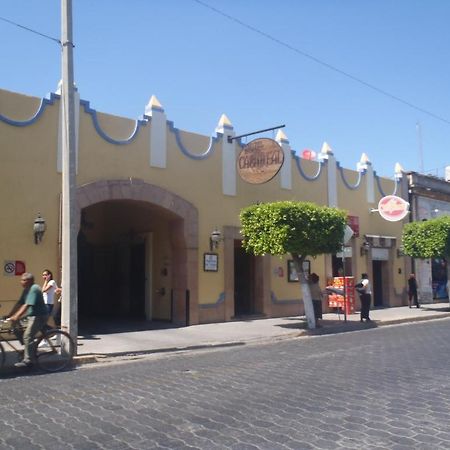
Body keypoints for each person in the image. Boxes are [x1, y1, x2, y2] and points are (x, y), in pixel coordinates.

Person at [7, 272, 49, 368]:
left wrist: (16, 316)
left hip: (39, 315)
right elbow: (19, 303)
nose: (21, 282)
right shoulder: (26, 290)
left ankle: (28, 360)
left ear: (29, 281)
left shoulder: (34, 289)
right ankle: (28, 347)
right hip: (31, 315)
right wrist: (10, 315)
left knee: (27, 335)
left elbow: (27, 305)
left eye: (23, 280)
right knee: (15, 326)